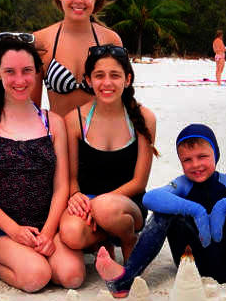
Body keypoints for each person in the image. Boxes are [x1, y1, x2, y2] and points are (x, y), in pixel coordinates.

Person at [94, 124, 226, 301]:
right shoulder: (181, 184)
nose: (196, 165)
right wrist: (195, 210)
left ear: (215, 154)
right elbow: (151, 198)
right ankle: (124, 280)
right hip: (190, 262)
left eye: (203, 156)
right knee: (164, 211)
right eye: (187, 160)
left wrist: (223, 206)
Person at [0, 35, 83, 293]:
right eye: (10, 71)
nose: (20, 80)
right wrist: (14, 230)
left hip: (46, 224)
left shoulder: (53, 122)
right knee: (36, 277)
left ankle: (36, 254)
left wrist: (49, 233)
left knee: (72, 276)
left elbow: (61, 185)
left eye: (27, 71)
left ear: (37, 72)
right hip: (1, 229)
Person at [60, 45, 157, 260]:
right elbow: (72, 178)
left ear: (128, 79)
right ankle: (103, 239)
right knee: (71, 233)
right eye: (99, 76)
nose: (107, 83)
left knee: (106, 208)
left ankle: (128, 239)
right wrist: (76, 195)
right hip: (90, 201)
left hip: (128, 206)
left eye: (115, 75)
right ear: (88, 80)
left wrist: (99, 205)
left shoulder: (144, 119)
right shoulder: (75, 120)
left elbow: (139, 182)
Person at [34, 0, 124, 118]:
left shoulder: (110, 40)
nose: (78, 0)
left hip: (98, 140)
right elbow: (32, 109)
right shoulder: (41, 41)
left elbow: (119, 104)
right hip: (59, 140)